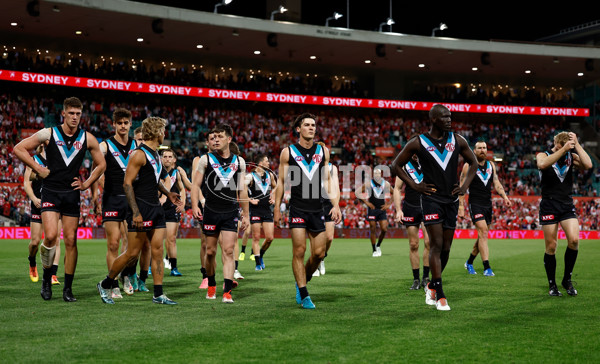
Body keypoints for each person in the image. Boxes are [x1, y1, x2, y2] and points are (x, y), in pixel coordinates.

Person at [14, 96, 106, 302]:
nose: (74, 117)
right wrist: (38, 168)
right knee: (51, 237)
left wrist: (86, 183)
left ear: (81, 115)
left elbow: (101, 165)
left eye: (78, 114)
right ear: (63, 114)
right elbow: (18, 148)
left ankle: (68, 289)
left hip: (71, 194)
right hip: (50, 192)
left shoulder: (87, 138)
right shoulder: (49, 133)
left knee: (72, 241)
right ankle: (46, 280)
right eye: (71, 113)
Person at [391, 104, 477, 311]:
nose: (449, 120)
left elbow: (473, 163)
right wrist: (414, 185)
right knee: (436, 244)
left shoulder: (457, 140)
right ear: (433, 119)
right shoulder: (418, 142)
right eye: (445, 117)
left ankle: (431, 285)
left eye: (450, 117)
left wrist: (464, 187)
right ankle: (440, 295)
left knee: (446, 249)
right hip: (430, 200)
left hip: (451, 201)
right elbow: (395, 165)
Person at [97, 116, 181, 305]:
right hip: (140, 208)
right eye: (163, 131)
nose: (165, 134)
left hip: (155, 208)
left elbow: (155, 180)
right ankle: (106, 283)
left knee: (158, 250)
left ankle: (158, 294)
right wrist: (135, 212)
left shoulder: (156, 154)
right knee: (132, 253)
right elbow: (127, 184)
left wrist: (168, 194)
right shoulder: (139, 154)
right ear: (158, 132)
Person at [274, 113, 342, 309]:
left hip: (317, 208)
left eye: (313, 125)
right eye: (307, 125)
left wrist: (335, 204)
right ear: (298, 129)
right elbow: (281, 182)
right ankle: (304, 294)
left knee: (319, 253)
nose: (311, 128)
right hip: (297, 208)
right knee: (299, 251)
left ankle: (302, 279)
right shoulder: (288, 152)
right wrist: (277, 209)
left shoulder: (323, 151)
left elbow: (328, 180)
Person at [191, 124, 250, 303]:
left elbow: (242, 189)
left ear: (229, 139)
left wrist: (246, 214)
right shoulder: (205, 159)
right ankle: (211, 284)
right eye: (213, 137)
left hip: (230, 211)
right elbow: (195, 185)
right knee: (210, 252)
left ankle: (227, 292)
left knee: (229, 250)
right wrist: (194, 205)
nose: (216, 140)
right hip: (210, 211)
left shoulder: (239, 162)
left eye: (220, 136)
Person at [536, 131, 592, 296]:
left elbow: (588, 165)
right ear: (557, 145)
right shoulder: (543, 154)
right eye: (563, 147)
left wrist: (577, 145)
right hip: (549, 204)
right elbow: (542, 165)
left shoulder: (570, 157)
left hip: (566, 204)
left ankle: (566, 279)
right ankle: (552, 285)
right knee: (551, 246)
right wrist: (563, 149)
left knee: (574, 240)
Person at [92, 108, 138, 298]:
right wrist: (95, 193)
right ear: (114, 125)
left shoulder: (137, 145)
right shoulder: (105, 146)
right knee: (113, 244)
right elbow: (95, 166)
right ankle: (113, 284)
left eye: (126, 123)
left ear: (130, 125)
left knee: (131, 246)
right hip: (111, 199)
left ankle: (126, 276)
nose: (122, 126)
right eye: (119, 123)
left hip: (132, 201)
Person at [459, 141, 511, 277]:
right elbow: (461, 187)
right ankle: (487, 267)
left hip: (488, 204)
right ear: (474, 151)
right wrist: (461, 207)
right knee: (483, 231)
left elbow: (496, 182)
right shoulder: (468, 166)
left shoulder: (491, 165)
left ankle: (469, 262)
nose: (482, 150)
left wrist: (505, 196)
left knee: (482, 235)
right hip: (475, 204)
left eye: (484, 148)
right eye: (479, 148)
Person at [24, 145, 62, 285]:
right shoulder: (34, 159)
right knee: (35, 242)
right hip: (38, 203)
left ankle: (53, 274)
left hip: (54, 204)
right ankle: (32, 261)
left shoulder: (59, 159)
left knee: (56, 240)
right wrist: (34, 199)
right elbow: (27, 183)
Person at [393, 155, 431, 290]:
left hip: (428, 206)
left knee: (428, 242)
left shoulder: (430, 162)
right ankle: (416, 279)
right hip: (410, 207)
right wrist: (398, 210)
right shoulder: (404, 165)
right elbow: (397, 188)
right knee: (413, 244)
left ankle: (426, 277)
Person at [246, 153, 277, 271]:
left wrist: (273, 196)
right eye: (267, 161)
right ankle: (258, 264)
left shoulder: (270, 175)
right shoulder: (250, 177)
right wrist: (249, 200)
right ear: (260, 163)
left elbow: (275, 187)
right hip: (255, 210)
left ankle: (261, 254)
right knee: (256, 238)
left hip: (266, 209)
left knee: (270, 238)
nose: (269, 163)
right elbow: (239, 191)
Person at [160, 147, 186, 276]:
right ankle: (148, 266)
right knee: (155, 240)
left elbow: (182, 189)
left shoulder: (177, 173)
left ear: (174, 159)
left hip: (171, 209)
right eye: (165, 156)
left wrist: (183, 203)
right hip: (157, 207)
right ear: (161, 158)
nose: (167, 159)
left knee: (171, 239)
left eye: (170, 157)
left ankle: (174, 268)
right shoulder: (157, 171)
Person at [357, 167, 392, 257]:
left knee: (384, 229)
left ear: (381, 175)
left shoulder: (385, 184)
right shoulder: (369, 184)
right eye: (375, 174)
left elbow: (395, 192)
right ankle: (374, 250)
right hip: (372, 209)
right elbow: (357, 192)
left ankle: (378, 245)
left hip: (381, 209)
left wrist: (388, 204)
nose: (377, 175)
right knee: (372, 228)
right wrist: (367, 202)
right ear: (373, 175)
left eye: (378, 174)